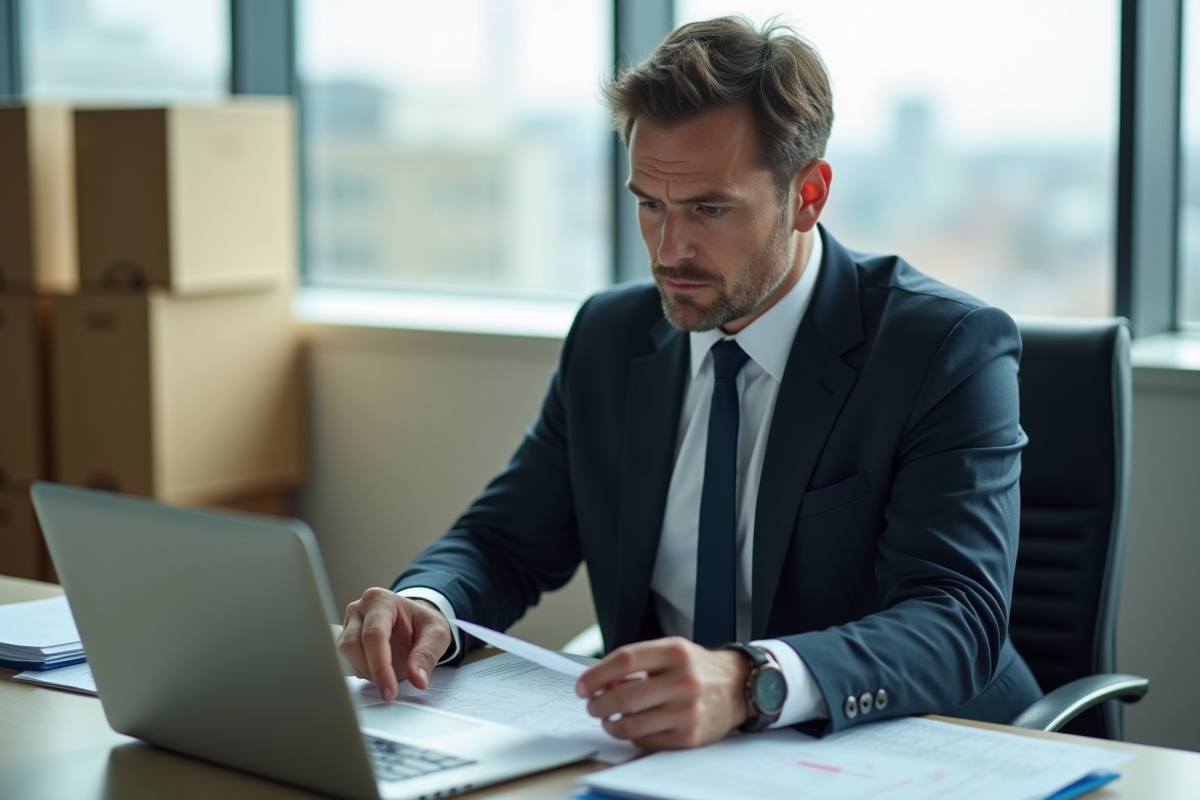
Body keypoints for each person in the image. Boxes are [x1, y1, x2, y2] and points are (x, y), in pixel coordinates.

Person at [337, 16, 1042, 750]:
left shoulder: (943, 349)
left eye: (709, 208)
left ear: (809, 194)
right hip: (675, 760)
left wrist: (748, 683)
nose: (670, 250)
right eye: (650, 204)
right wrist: (428, 605)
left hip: (908, 747)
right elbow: (505, 539)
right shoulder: (611, 338)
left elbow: (955, 620)